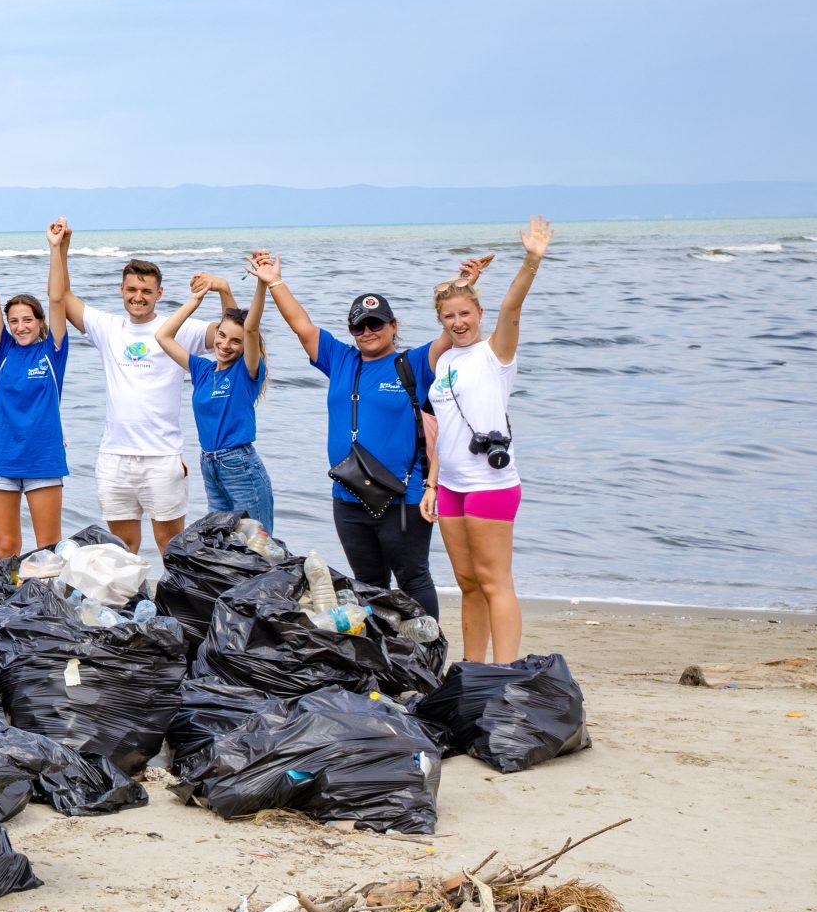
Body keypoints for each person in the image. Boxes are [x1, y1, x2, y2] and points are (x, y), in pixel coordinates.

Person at [254, 249, 441, 618]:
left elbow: (454, 331)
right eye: (360, 326)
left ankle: (428, 650)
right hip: (349, 495)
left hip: (404, 496)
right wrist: (274, 281)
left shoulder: (413, 363)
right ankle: (388, 655)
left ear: (394, 326)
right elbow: (301, 326)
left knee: (413, 577)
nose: (368, 332)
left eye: (376, 324)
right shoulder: (341, 359)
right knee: (368, 580)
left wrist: (464, 284)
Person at [48, 220, 226, 557]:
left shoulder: (179, 328)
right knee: (123, 548)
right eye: (132, 290)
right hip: (115, 456)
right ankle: (131, 607)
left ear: (159, 294)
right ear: (121, 290)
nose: (138, 297)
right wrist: (59, 248)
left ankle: (176, 606)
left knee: (171, 547)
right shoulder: (108, 327)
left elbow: (230, 334)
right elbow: (61, 297)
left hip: (161, 457)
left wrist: (221, 289)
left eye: (146, 291)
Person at [422, 218, 552, 663]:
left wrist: (531, 261)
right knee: (468, 583)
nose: (459, 322)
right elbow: (440, 431)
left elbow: (512, 308)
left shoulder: (496, 353)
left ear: (479, 315)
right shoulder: (442, 361)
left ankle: (504, 671)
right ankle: (472, 667)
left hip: (490, 486)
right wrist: (433, 484)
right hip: (453, 487)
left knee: (495, 580)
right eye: (449, 316)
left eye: (465, 314)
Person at [151, 271, 273, 530]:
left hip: (240, 465)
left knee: (256, 545)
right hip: (209, 466)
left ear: (245, 346)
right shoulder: (202, 370)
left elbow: (249, 326)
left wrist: (262, 283)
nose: (226, 345)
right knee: (221, 546)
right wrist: (195, 301)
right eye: (222, 335)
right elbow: (163, 336)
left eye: (236, 342)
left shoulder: (246, 372)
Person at [0, 237, 72, 560]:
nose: (20, 327)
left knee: (48, 548)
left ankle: (47, 608)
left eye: (28, 320)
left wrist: (56, 249)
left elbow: (57, 299)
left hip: (42, 459)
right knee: (6, 548)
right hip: (2, 459)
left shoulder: (52, 353)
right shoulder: (1, 351)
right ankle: (3, 606)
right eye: (14, 321)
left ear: (40, 321)